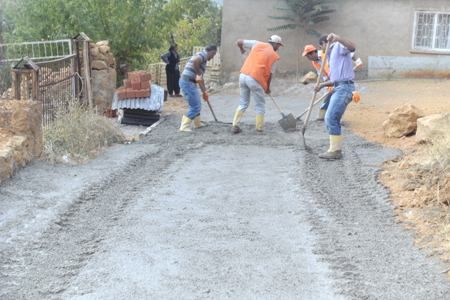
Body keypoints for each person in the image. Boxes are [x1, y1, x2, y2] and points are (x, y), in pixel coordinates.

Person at [314, 33, 356, 160]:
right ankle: (334, 149)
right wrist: (321, 85)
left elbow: (352, 47)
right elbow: (335, 79)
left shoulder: (338, 46)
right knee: (332, 117)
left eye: (321, 47)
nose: (321, 50)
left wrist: (338, 38)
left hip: (344, 88)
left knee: (330, 117)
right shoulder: (331, 57)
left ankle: (335, 151)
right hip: (339, 86)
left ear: (324, 43)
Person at [231, 35, 283, 134]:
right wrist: (267, 88)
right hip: (255, 79)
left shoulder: (256, 43)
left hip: (243, 75)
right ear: (275, 44)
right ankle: (259, 128)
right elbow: (270, 74)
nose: (278, 48)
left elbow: (239, 41)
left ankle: (234, 125)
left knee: (243, 103)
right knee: (260, 105)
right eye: (279, 46)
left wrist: (242, 50)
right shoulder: (274, 56)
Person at [178, 45, 218, 132]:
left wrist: (204, 92)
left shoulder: (202, 57)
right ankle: (184, 126)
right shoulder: (203, 55)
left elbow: (200, 79)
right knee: (195, 106)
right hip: (187, 82)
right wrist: (198, 73)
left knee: (197, 103)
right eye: (213, 54)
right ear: (210, 52)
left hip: (190, 82)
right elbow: (195, 62)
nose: (213, 56)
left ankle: (197, 123)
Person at [302, 44, 332, 121]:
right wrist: (319, 83)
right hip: (330, 81)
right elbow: (321, 74)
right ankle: (322, 116)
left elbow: (331, 69)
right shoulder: (314, 62)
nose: (307, 58)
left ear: (313, 53)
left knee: (333, 98)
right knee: (328, 97)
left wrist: (327, 81)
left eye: (307, 56)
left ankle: (325, 116)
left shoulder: (325, 55)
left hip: (336, 78)